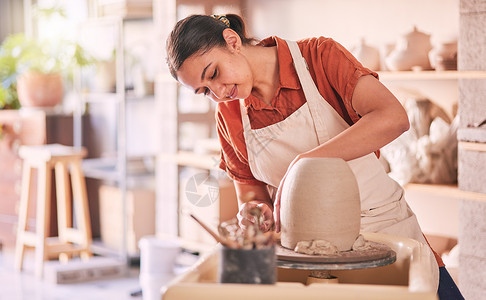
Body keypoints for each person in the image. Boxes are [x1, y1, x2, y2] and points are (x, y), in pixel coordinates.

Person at [166, 14, 463, 299]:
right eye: (205, 91)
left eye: (214, 73)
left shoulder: (318, 58)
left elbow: (394, 117)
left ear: (231, 41)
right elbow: (252, 197)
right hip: (307, 259)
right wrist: (256, 212)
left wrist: (305, 163)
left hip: (385, 233)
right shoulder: (229, 115)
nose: (219, 92)